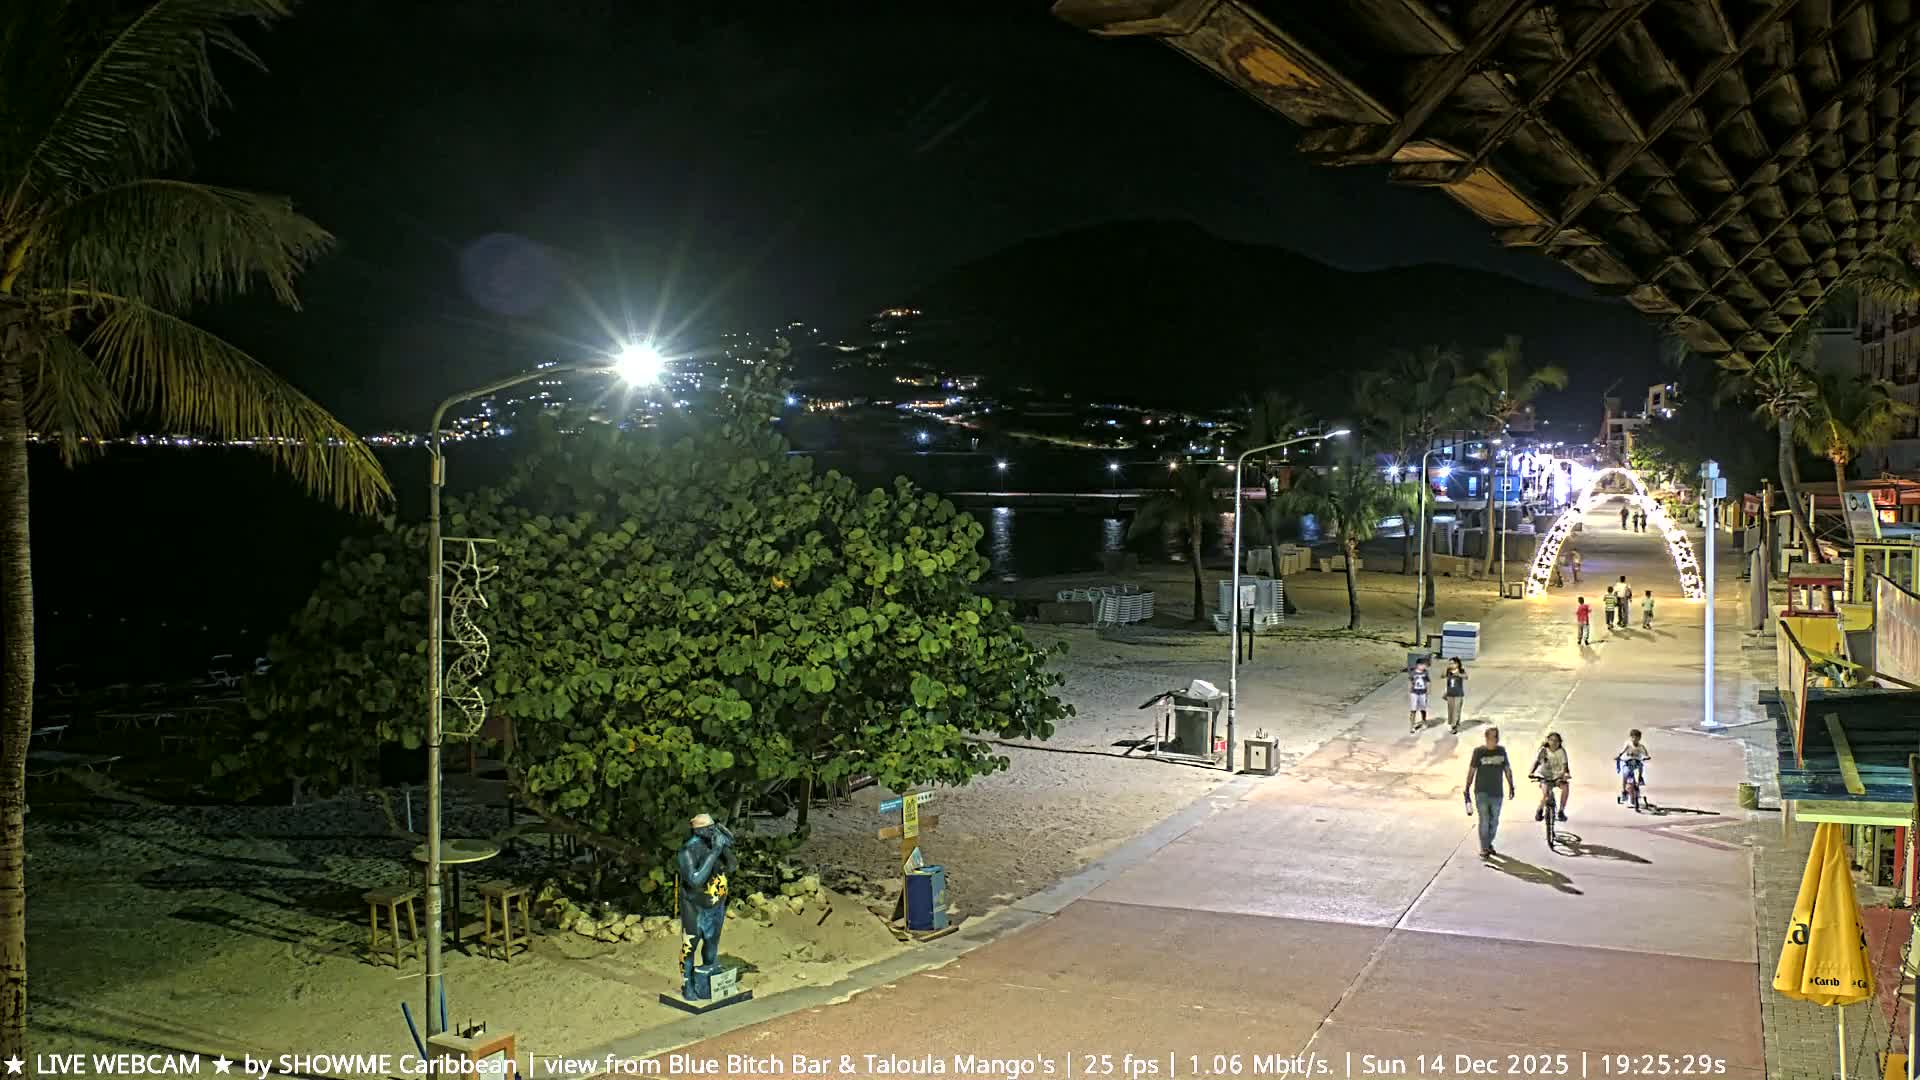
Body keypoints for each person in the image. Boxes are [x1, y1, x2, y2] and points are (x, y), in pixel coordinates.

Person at [676, 813, 737, 1000]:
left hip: (715, 906)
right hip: (694, 907)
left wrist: (725, 847)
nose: (713, 831)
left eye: (714, 828)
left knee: (711, 945)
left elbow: (732, 866)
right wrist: (715, 852)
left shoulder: (713, 845)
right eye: (710, 829)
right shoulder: (686, 851)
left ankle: (711, 981)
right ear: (698, 830)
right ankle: (687, 983)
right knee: (690, 945)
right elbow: (695, 880)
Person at [1464, 726, 1516, 858]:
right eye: (1492, 737)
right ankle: (1484, 848)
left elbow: (1507, 769)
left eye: (1496, 737)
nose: (1495, 739)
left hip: (1497, 792)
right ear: (1486, 738)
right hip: (1481, 791)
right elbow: (1472, 770)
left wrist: (1511, 785)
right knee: (1484, 820)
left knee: (1494, 822)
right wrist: (1467, 788)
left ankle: (1488, 843)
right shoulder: (1479, 752)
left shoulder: (1501, 751)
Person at [1531, 731, 1571, 822]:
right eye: (1552, 740)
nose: (1554, 743)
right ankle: (1539, 810)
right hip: (1545, 776)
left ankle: (1561, 811)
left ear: (1560, 742)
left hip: (1557, 776)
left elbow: (1565, 765)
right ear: (1548, 741)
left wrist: (1565, 774)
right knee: (1546, 794)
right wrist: (1532, 772)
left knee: (1565, 787)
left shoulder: (1561, 752)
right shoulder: (1544, 750)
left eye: (1557, 741)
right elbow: (1537, 762)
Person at [1617, 728, 1651, 804]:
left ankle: (1639, 780)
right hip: (1627, 762)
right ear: (1631, 737)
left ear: (1640, 738)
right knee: (1625, 774)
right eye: (1634, 737)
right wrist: (1619, 756)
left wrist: (1647, 757)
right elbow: (1623, 751)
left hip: (1636, 762)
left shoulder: (1641, 746)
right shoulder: (1628, 744)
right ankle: (1624, 791)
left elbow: (1646, 754)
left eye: (1638, 738)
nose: (1635, 739)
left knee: (1640, 768)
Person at [1443, 657, 1468, 733]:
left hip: (1458, 693)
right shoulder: (1448, 671)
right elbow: (1442, 676)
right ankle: (1454, 723)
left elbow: (1466, 677)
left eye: (1452, 663)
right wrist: (1446, 669)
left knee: (1456, 710)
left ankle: (1454, 727)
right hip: (1450, 693)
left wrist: (1458, 674)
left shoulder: (1461, 670)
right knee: (1451, 710)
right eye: (1450, 663)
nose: (1451, 665)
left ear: (1457, 664)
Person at [1408, 657, 1431, 733]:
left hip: (1423, 692)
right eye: (1422, 665)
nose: (1424, 667)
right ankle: (1412, 725)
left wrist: (1428, 691)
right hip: (1414, 692)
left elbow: (1428, 682)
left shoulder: (1425, 673)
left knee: (1423, 708)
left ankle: (1424, 721)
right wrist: (1410, 691)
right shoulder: (1413, 672)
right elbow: (1410, 681)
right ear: (1418, 665)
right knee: (1413, 709)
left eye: (1425, 665)